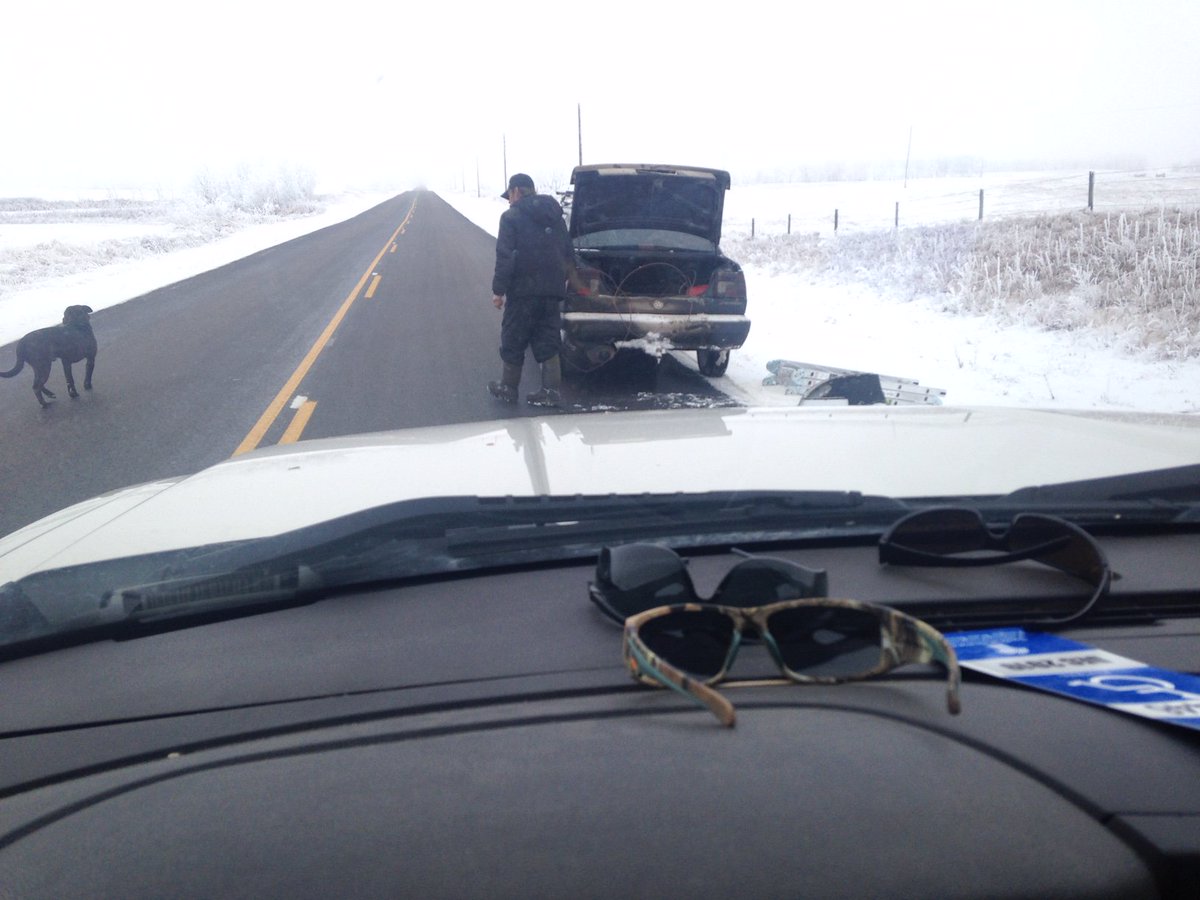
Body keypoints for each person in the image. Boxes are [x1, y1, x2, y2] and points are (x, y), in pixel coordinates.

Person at [489, 172, 573, 407]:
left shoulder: (511, 217)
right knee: (548, 338)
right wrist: (564, 281)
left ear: (516, 191)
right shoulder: (556, 217)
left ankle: (508, 388)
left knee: (513, 338)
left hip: (523, 291)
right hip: (551, 291)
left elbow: (505, 257)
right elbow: (568, 252)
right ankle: (551, 392)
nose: (509, 200)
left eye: (509, 195)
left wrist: (498, 291)